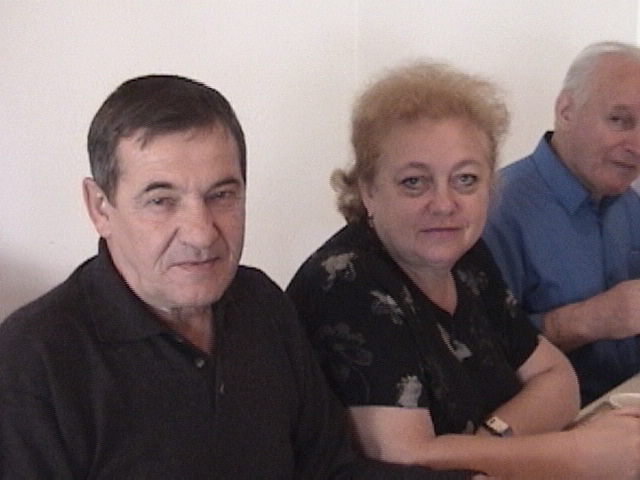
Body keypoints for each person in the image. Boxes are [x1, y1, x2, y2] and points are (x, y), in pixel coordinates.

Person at [0, 75, 472, 479]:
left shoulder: (260, 302)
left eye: (221, 195)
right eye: (161, 201)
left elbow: (330, 471)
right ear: (100, 208)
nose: (201, 233)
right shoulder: (34, 361)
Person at [287, 61, 640, 478]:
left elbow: (557, 379)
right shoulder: (346, 284)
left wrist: (487, 442)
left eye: (466, 179)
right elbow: (406, 460)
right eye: (414, 182)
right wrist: (576, 454)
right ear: (368, 190)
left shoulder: (465, 259)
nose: (444, 204)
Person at [483, 41, 640, 405]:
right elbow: (476, 358)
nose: (637, 145)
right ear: (566, 111)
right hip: (553, 426)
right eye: (620, 121)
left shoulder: (627, 201)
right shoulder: (495, 212)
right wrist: (584, 320)